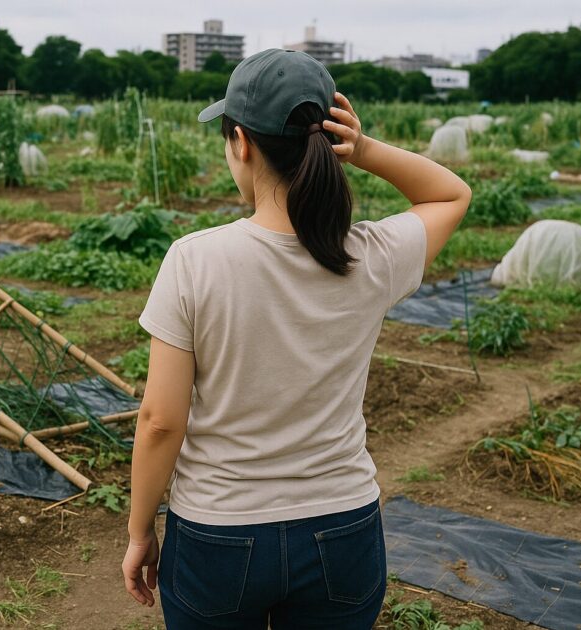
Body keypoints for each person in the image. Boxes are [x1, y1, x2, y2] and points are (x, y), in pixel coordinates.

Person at [121, 49, 471, 629]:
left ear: (242, 143)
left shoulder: (194, 260)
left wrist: (139, 532)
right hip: (343, 530)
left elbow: (161, 420)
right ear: (328, 139)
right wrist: (365, 150)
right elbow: (449, 195)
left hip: (218, 533)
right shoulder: (369, 254)